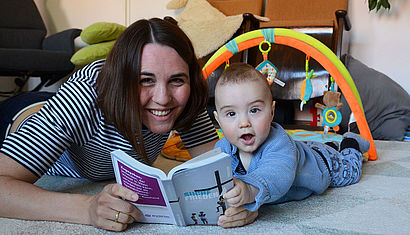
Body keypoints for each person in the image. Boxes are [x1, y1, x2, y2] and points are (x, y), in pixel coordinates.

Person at [0, 18, 219, 231]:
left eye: (176, 80)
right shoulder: (83, 97)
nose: (163, 98)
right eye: (145, 80)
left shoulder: (187, 96)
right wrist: (87, 209)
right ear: (122, 78)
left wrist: (244, 196)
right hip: (16, 117)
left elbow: (219, 167)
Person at [213, 63, 370, 228]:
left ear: (272, 111)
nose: (244, 123)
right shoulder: (222, 149)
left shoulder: (278, 143)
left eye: (254, 110)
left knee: (350, 173)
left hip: (323, 164)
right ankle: (330, 144)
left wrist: (249, 190)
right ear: (218, 120)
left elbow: (276, 175)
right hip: (300, 149)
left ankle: (350, 143)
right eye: (231, 114)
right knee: (305, 148)